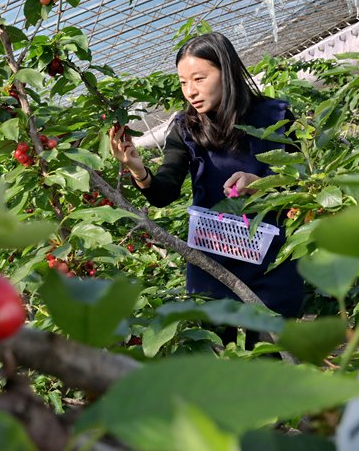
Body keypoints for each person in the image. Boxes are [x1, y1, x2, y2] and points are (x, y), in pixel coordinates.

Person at [109, 32, 304, 345]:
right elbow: (164, 193)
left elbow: (303, 184)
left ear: (226, 72)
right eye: (183, 82)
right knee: (212, 350)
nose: (190, 91)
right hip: (214, 255)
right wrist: (138, 169)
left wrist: (263, 184)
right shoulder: (186, 128)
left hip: (271, 258)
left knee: (272, 355)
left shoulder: (275, 116)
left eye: (199, 78)